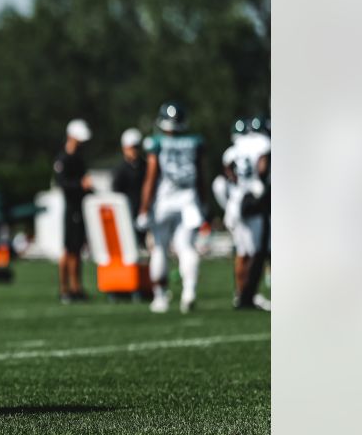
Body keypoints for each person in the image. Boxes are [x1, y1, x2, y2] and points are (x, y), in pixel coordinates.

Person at [136, 102, 210, 314]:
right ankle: (189, 292)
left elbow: (151, 177)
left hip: (164, 201)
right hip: (188, 200)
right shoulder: (194, 142)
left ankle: (160, 297)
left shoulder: (155, 143)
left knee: (159, 247)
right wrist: (203, 201)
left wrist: (143, 207)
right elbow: (201, 175)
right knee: (186, 246)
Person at [225, 114, 271, 311]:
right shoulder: (262, 143)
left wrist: (239, 184)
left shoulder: (237, 145)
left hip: (237, 200)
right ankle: (248, 295)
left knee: (242, 251)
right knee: (256, 251)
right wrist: (260, 184)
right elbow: (262, 167)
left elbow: (228, 169)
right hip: (253, 197)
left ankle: (241, 293)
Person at [54, 119, 94, 303]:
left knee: (76, 250)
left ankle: (76, 287)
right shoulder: (64, 158)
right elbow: (62, 184)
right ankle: (65, 288)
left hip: (79, 207)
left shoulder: (79, 157)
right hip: (71, 209)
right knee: (69, 249)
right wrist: (80, 185)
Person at [108, 127, 147, 303]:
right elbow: (116, 195)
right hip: (126, 217)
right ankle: (122, 287)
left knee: (143, 252)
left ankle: (143, 285)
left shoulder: (145, 166)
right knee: (125, 254)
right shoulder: (121, 170)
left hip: (143, 215)